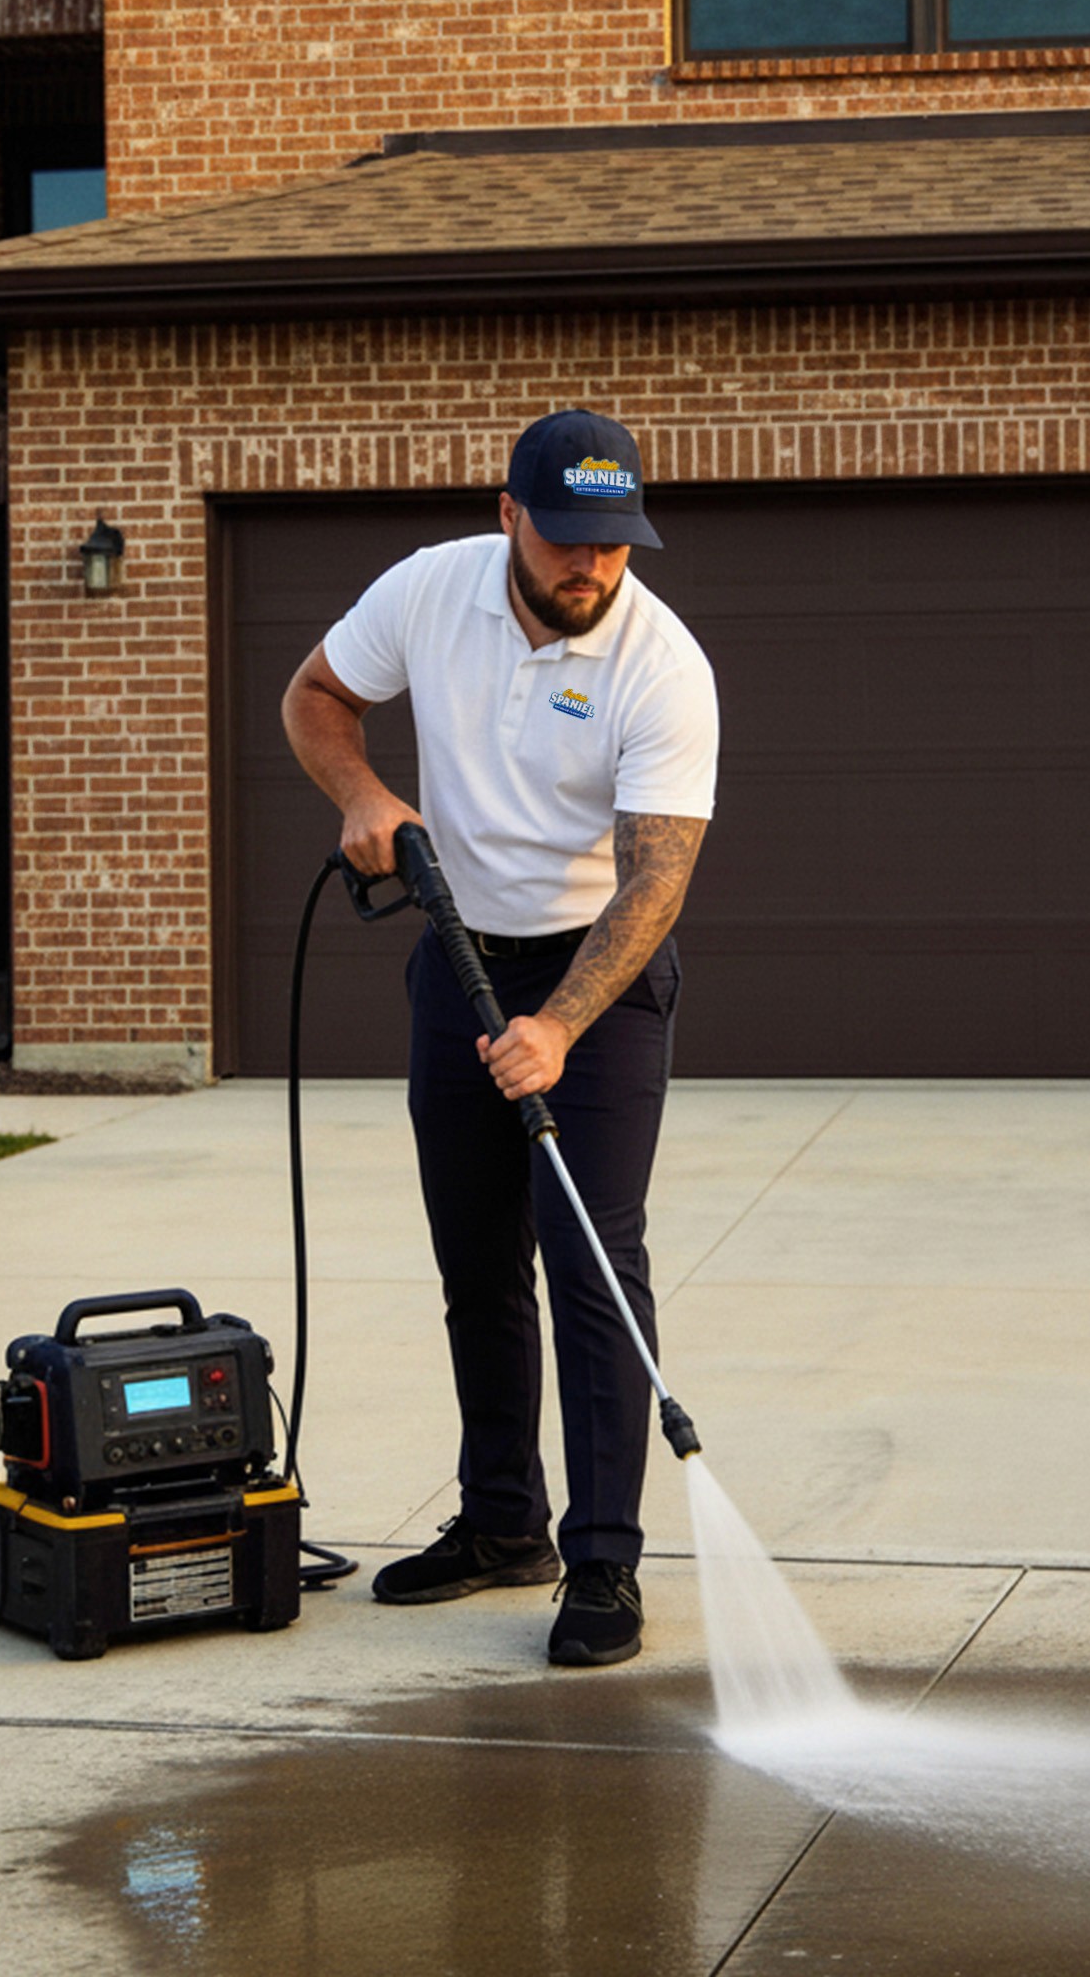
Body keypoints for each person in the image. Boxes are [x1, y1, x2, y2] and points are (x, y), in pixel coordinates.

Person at [282, 409, 719, 1666]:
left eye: (614, 545)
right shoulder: (429, 590)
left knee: (590, 1255)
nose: (591, 568)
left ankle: (602, 1561)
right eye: (568, 540)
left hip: (603, 969)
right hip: (457, 951)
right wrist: (364, 793)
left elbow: (654, 886)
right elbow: (314, 693)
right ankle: (500, 1523)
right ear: (508, 515)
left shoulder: (662, 663)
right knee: (475, 1253)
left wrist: (558, 1025)